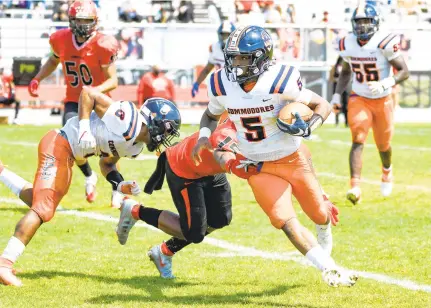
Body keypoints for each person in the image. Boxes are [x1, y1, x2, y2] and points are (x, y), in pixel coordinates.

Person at [191, 25, 357, 287]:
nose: (237, 63)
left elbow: (321, 105)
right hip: (257, 164)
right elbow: (210, 115)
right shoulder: (220, 82)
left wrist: (309, 127)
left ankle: (323, 231)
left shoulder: (281, 79)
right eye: (233, 57)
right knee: (284, 220)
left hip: (293, 157)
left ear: (262, 57)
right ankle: (329, 269)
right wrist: (202, 137)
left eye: (244, 57)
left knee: (319, 213)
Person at [0, 88, 181, 287]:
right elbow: (88, 93)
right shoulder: (127, 117)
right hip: (60, 144)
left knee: (37, 200)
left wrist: (120, 184)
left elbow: (107, 164)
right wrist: (85, 128)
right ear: (154, 119)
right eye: (167, 129)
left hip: (68, 153)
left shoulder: (134, 147)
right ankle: (4, 264)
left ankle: (1, 172)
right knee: (44, 208)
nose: (166, 136)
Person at [116, 118, 339, 279]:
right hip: (184, 169)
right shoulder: (229, 134)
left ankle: (163, 252)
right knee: (194, 233)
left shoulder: (254, 128)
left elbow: (299, 162)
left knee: (221, 219)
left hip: (209, 170)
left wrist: (320, 194)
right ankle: (134, 210)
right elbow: (224, 157)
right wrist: (236, 164)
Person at [27, 0, 120, 204]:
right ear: (70, 19)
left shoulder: (103, 44)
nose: (83, 23)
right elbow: (53, 60)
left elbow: (113, 80)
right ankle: (89, 175)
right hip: (74, 100)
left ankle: (117, 187)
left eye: (87, 20)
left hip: (101, 101)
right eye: (79, 19)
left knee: (112, 145)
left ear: (95, 21)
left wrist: (92, 92)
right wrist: (37, 78)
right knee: (71, 142)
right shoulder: (60, 39)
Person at [330, 4, 409, 204]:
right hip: (359, 96)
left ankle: (386, 171)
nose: (363, 26)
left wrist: (386, 82)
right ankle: (355, 187)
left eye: (367, 21)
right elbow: (346, 71)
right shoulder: (347, 43)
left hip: (382, 99)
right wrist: (337, 95)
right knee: (358, 138)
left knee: (383, 145)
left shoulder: (384, 41)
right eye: (359, 22)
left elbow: (403, 71)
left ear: (375, 22)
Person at [191, 21, 236, 98]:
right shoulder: (215, 47)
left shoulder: (239, 48)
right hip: (220, 86)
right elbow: (207, 69)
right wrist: (197, 83)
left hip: (236, 86)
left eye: (227, 34)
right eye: (223, 34)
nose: (224, 37)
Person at [330, 55, 349, 127]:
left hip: (346, 87)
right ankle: (337, 122)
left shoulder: (347, 67)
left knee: (346, 104)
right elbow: (331, 77)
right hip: (337, 86)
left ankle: (347, 122)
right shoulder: (335, 67)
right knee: (336, 104)